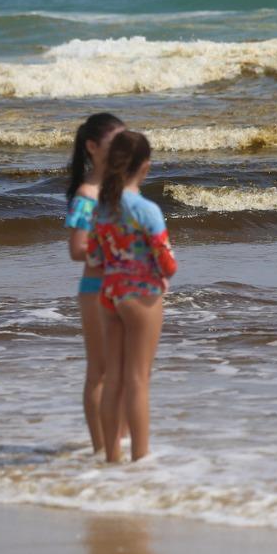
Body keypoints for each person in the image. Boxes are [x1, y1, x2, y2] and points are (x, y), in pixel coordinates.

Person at [89, 131, 177, 463]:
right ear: (145, 167)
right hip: (142, 295)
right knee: (138, 379)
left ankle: (112, 457)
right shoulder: (146, 209)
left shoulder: (101, 208)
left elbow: (94, 257)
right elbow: (167, 263)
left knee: (114, 378)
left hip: (109, 293)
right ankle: (140, 458)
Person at [65, 112, 127, 453]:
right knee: (100, 372)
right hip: (97, 291)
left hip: (127, 288)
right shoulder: (87, 194)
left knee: (126, 370)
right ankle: (101, 451)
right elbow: (77, 249)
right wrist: (116, 250)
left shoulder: (122, 188)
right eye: (116, 142)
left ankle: (123, 445)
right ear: (92, 147)